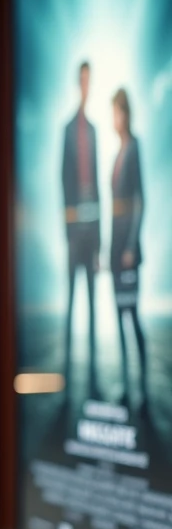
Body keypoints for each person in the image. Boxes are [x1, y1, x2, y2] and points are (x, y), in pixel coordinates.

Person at [62, 61, 101, 395]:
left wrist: (99, 243)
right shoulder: (68, 131)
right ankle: (65, 368)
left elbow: (98, 187)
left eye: (90, 80)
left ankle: (92, 371)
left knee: (91, 302)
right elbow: (63, 180)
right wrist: (69, 229)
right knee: (71, 300)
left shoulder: (94, 131)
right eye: (83, 80)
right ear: (78, 83)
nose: (86, 86)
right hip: (74, 233)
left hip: (92, 232)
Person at [108, 87, 147, 412]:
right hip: (114, 250)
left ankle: (142, 387)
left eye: (116, 112)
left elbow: (139, 200)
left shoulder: (134, 148)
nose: (113, 118)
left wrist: (132, 245)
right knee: (120, 318)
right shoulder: (118, 153)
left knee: (132, 317)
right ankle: (125, 382)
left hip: (128, 252)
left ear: (125, 113)